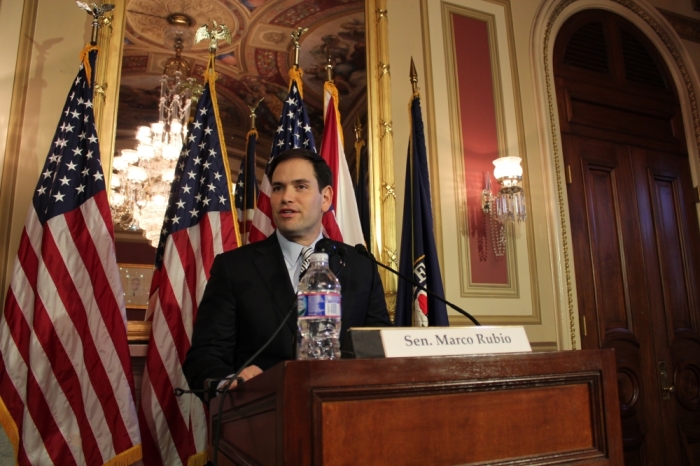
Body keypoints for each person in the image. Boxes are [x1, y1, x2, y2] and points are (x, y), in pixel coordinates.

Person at [183, 148, 392, 397]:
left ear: (325, 198)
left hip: (344, 415)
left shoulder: (360, 266)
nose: (286, 197)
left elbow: (380, 351)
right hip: (260, 417)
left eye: (300, 186)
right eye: (279, 188)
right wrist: (228, 381)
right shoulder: (234, 268)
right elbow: (205, 357)